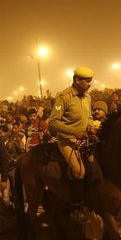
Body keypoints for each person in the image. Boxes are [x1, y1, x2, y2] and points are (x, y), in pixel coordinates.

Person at [47, 66, 94, 222]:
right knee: (79, 170)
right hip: (67, 140)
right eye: (87, 81)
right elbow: (52, 123)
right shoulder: (64, 97)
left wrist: (92, 124)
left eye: (91, 81)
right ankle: (74, 208)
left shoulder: (88, 97)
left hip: (85, 139)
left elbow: (89, 117)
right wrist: (73, 132)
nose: (90, 84)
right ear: (77, 80)